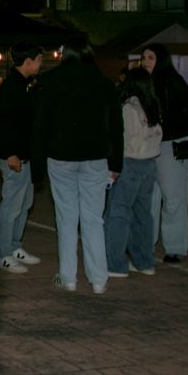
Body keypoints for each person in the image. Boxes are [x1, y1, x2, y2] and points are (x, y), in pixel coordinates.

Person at [33, 38, 122, 294]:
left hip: (60, 157)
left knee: (67, 218)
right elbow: (116, 127)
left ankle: (68, 276)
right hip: (96, 157)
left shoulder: (50, 83)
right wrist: (116, 162)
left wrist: (37, 167)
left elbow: (41, 127)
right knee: (94, 219)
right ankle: (98, 279)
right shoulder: (105, 85)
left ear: (65, 55)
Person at [0, 42, 44, 273]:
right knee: (11, 205)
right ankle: (3, 253)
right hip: (15, 157)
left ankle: (14, 246)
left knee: (24, 204)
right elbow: (3, 123)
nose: (41, 64)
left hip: (26, 156)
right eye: (39, 60)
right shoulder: (12, 86)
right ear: (29, 61)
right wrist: (10, 153)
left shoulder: (25, 85)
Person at [103, 68, 162, 279]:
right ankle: (144, 261)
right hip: (149, 163)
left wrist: (113, 166)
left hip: (130, 163)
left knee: (118, 213)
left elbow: (122, 139)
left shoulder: (129, 108)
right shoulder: (151, 106)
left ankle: (115, 263)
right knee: (143, 214)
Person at [141, 42, 188, 263]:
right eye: (144, 57)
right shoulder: (144, 83)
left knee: (173, 198)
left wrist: (164, 127)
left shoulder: (172, 81)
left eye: (150, 58)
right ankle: (146, 242)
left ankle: (175, 247)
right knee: (150, 198)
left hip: (171, 144)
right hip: (150, 146)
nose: (145, 62)